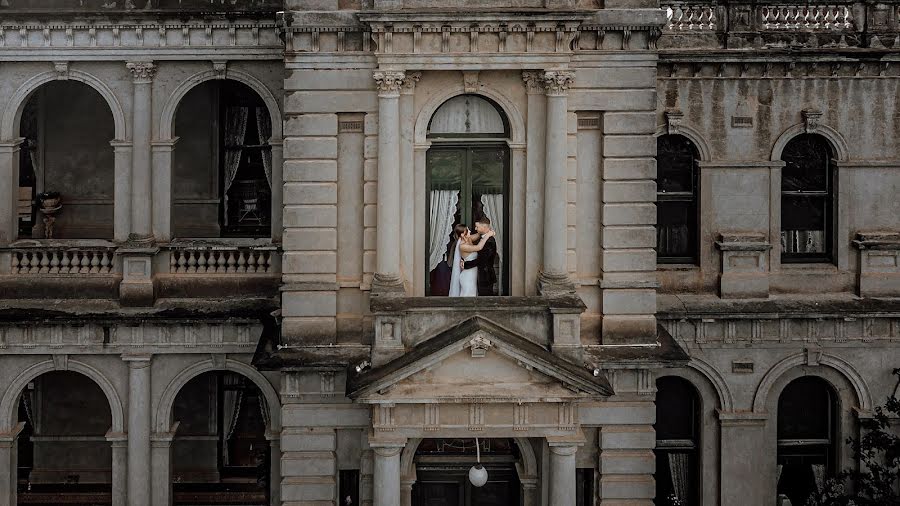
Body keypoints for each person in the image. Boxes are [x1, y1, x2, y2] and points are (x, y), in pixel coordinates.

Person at [449, 223, 494, 297]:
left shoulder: (469, 238)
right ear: (463, 235)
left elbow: (478, 234)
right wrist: (488, 235)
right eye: (467, 230)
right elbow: (479, 247)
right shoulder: (462, 246)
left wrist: (483, 228)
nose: (470, 231)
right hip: (467, 276)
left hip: (473, 275)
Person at [461, 217, 498, 296]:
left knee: (485, 300)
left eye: (477, 227)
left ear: (484, 227)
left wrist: (466, 264)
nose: (475, 228)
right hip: (482, 276)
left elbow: (482, 260)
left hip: (486, 276)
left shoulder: (489, 241)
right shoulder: (483, 238)